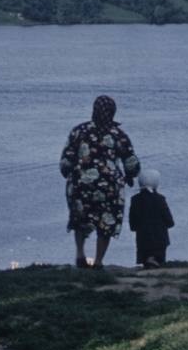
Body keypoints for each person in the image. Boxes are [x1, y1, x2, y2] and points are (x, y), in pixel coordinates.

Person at [60, 95, 140, 269]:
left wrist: (68, 173)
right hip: (109, 187)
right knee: (107, 222)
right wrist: (130, 175)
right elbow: (131, 162)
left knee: (80, 219)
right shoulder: (119, 135)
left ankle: (80, 254)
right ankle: (98, 261)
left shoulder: (79, 131)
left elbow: (66, 160)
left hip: (81, 184)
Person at [128, 169, 174, 268]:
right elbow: (169, 221)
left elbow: (133, 222)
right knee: (159, 261)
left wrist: (135, 227)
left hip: (142, 239)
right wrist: (169, 223)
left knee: (146, 260)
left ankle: (149, 260)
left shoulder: (134, 200)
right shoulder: (160, 199)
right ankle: (153, 260)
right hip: (160, 239)